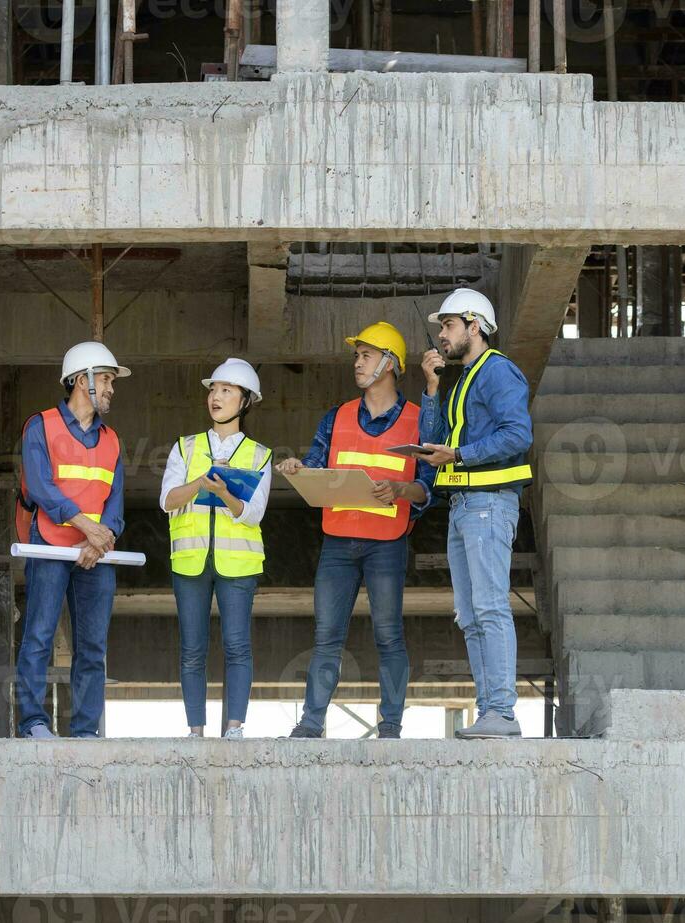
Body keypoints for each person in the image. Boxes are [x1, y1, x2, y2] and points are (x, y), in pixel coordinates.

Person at [276, 323, 434, 739]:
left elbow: (429, 490)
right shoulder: (338, 416)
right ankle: (311, 723)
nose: (358, 363)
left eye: (365, 355)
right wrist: (298, 468)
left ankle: (391, 727)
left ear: (390, 364)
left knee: (388, 637)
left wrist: (400, 488)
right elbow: (315, 464)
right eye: (357, 356)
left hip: (387, 545)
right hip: (338, 543)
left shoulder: (419, 421)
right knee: (326, 637)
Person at [418, 288, 533, 739]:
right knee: (469, 614)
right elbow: (436, 444)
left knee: (488, 607)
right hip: (465, 507)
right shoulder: (464, 379)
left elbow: (517, 435)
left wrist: (461, 454)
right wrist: (431, 388)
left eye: (447, 325)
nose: (441, 334)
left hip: (487, 504)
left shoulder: (498, 372)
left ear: (475, 326)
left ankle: (501, 712)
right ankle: (490, 711)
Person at [13, 342, 130, 739]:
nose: (112, 388)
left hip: (94, 554)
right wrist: (89, 529)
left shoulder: (112, 440)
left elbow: (115, 502)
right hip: (48, 543)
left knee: (93, 647)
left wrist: (100, 539)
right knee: (39, 635)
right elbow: (42, 488)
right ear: (82, 381)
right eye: (106, 379)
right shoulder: (39, 426)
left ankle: (85, 731)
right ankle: (33, 723)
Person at [160, 358, 273, 738]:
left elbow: (254, 513)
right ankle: (195, 731)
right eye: (213, 389)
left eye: (227, 391)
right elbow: (167, 500)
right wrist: (199, 485)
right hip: (191, 560)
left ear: (245, 401)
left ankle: (235, 728)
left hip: (238, 565)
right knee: (192, 649)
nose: (216, 397)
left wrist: (226, 494)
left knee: (237, 646)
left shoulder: (260, 455)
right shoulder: (185, 447)